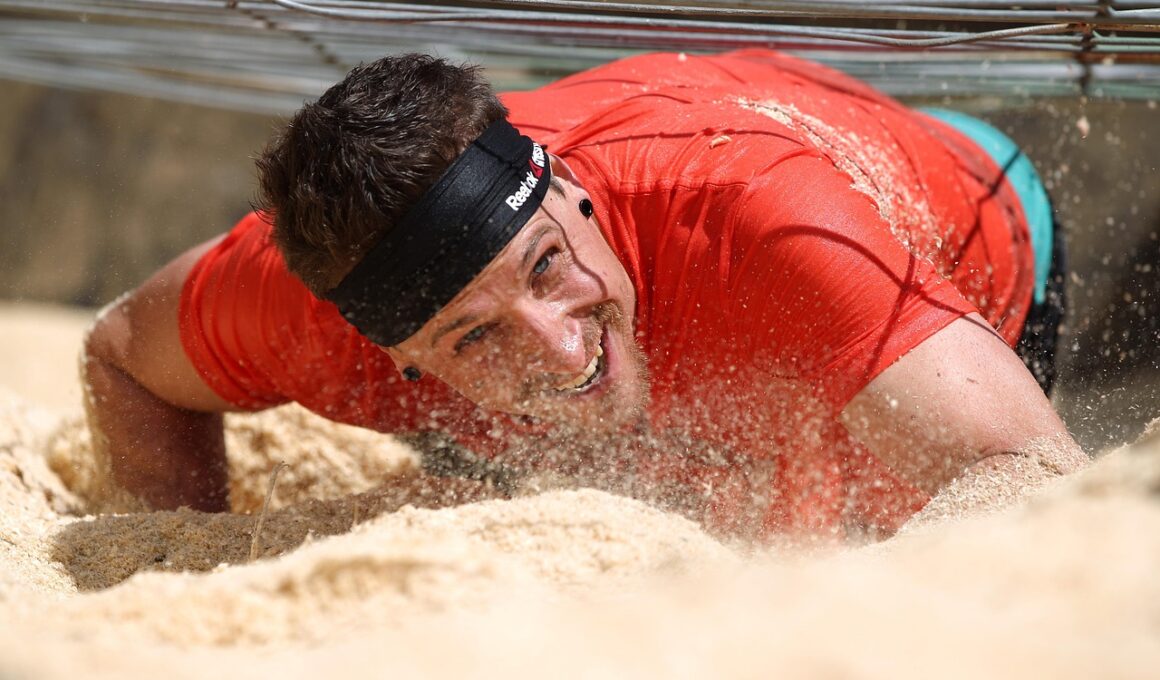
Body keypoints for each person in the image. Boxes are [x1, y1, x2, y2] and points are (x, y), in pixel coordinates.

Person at [82, 49, 1088, 540]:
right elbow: (122, 354)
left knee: (842, 527)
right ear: (389, 351)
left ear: (568, 189)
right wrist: (179, 551)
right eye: (472, 337)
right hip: (734, 140)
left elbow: (1033, 478)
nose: (562, 348)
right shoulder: (295, 311)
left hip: (966, 204)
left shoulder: (762, 229)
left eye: (545, 266)